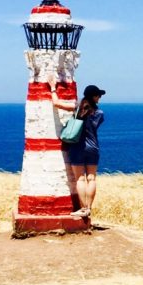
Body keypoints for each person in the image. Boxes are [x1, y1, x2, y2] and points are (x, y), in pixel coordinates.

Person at [51, 84, 105, 218]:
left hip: (77, 147)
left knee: (80, 179)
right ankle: (89, 208)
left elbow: (56, 103)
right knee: (91, 178)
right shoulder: (100, 114)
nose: (100, 98)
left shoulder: (77, 108)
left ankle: (83, 209)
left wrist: (53, 87)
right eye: (98, 95)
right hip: (93, 148)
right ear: (94, 96)